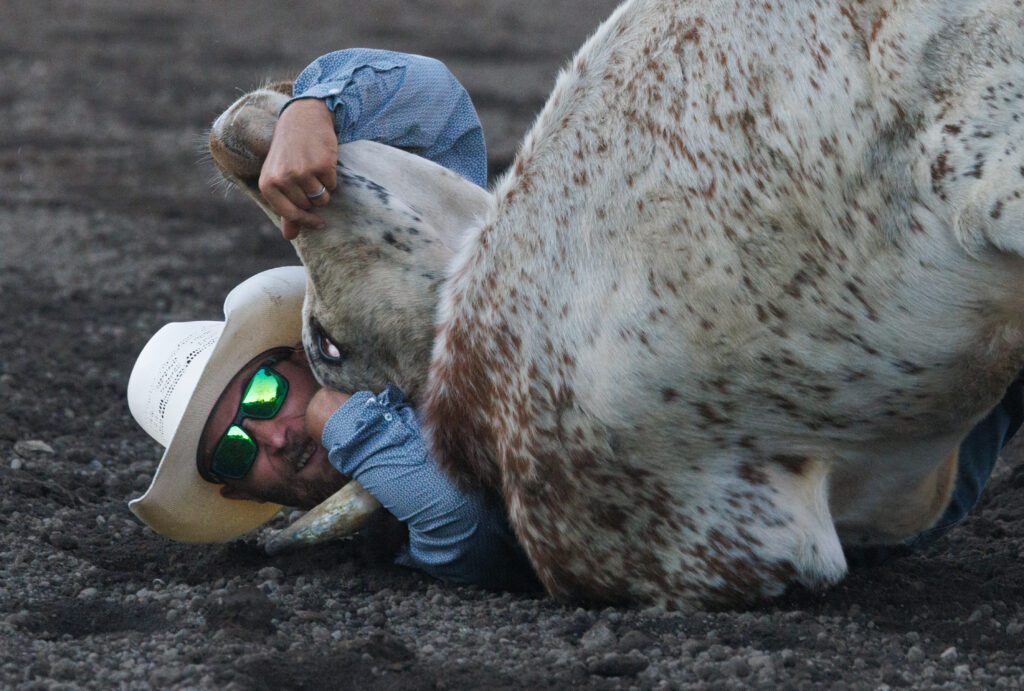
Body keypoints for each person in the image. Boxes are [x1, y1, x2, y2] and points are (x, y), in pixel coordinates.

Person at [128, 48, 1023, 592]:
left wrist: (314, 107)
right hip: (834, 495)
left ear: (292, 355)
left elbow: (433, 104)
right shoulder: (400, 542)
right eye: (239, 451)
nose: (274, 435)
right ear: (246, 497)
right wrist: (344, 418)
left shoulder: (380, 316)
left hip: (767, 351)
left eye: (266, 395)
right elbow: (462, 525)